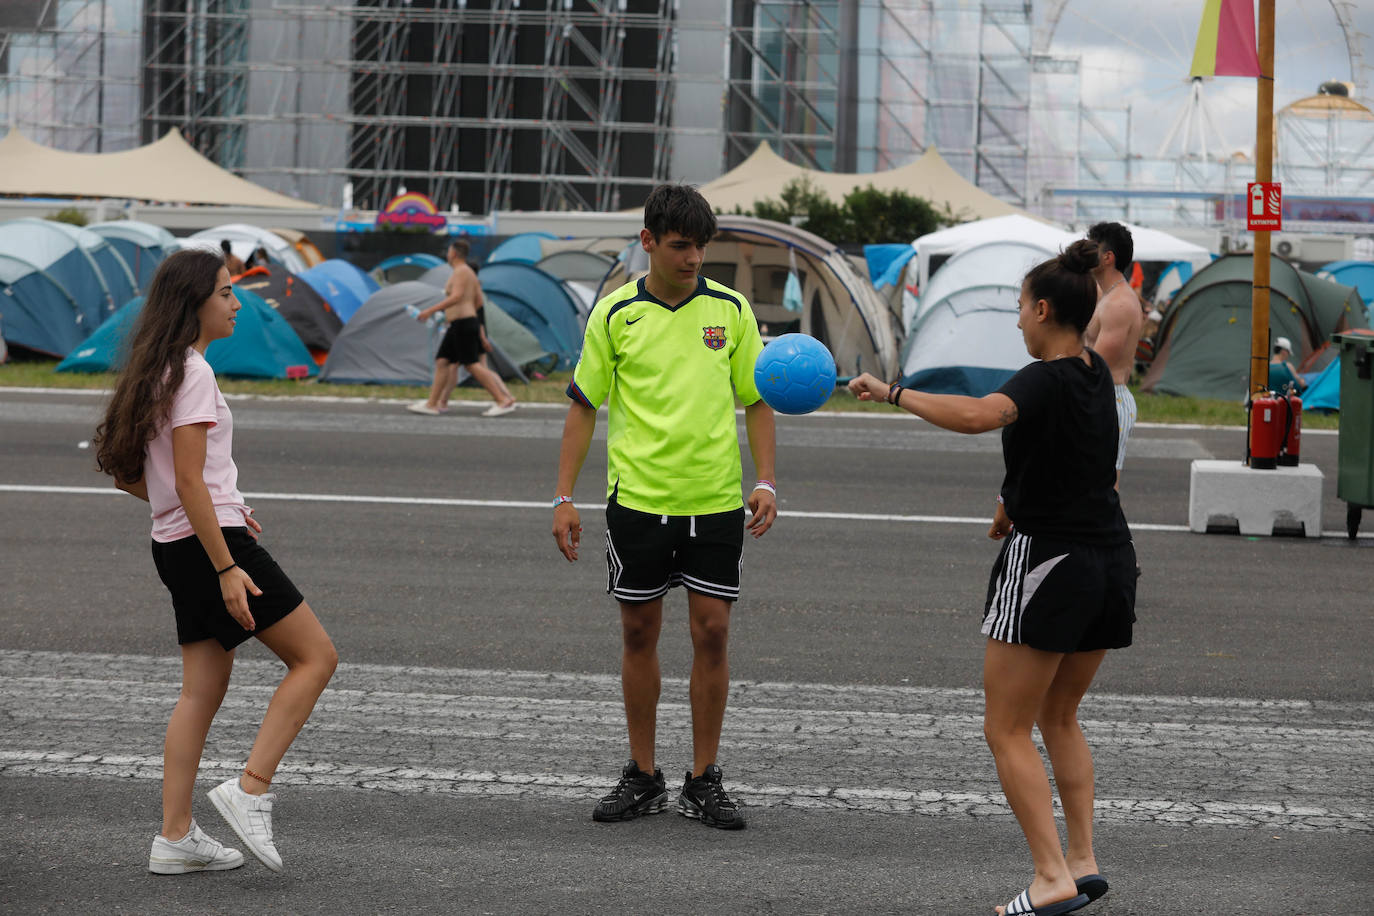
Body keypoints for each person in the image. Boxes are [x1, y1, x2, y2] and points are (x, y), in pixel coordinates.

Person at [849, 239, 1135, 916]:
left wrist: (892, 392)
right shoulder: (1096, 371)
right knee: (1059, 715)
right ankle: (1082, 861)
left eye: (1018, 310)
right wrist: (1012, 502)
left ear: (1043, 309)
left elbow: (980, 417)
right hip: (1110, 558)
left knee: (1005, 728)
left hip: (1050, 564)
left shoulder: (1043, 377)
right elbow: (1066, 451)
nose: (1015, 322)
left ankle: (1048, 877)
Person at [93, 248, 338, 876]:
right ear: (194, 302)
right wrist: (228, 562)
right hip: (210, 550)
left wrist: (220, 506)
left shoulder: (157, 370)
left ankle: (175, 835)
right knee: (315, 657)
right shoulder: (193, 373)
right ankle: (251, 788)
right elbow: (190, 481)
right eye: (226, 293)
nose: (237, 303)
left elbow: (134, 476)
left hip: (173, 545)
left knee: (200, 691)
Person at [552, 183, 777, 830]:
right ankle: (643, 774)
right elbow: (582, 406)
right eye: (681, 246)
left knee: (712, 633)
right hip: (638, 502)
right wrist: (564, 497)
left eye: (702, 247)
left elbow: (757, 400)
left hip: (714, 500)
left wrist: (766, 481)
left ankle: (704, 778)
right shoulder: (615, 314)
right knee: (638, 633)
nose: (693, 258)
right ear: (647, 242)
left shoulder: (730, 312)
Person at [407, 238, 516, 417]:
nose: (447, 255)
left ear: (454, 253)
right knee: (442, 361)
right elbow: (478, 301)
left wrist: (430, 311)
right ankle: (432, 404)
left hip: (464, 324)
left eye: (449, 251)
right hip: (458, 324)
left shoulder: (462, 272)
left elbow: (456, 297)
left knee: (472, 365)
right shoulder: (466, 273)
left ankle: (502, 400)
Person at [1084, 222, 1143, 486]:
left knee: (1104, 486)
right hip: (1098, 394)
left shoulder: (1119, 303)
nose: (1085, 252)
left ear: (1108, 258)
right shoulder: (1104, 294)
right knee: (1088, 484)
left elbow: (1095, 366)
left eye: (1091, 248)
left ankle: (1109, 529)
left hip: (1110, 397)